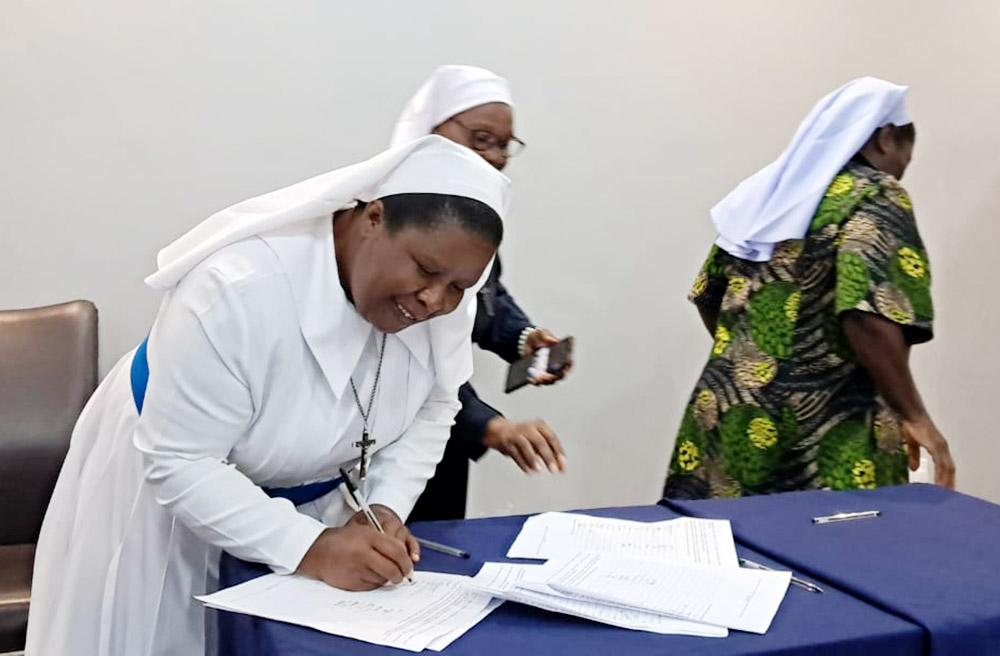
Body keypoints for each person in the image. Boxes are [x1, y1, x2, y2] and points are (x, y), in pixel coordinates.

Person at [25, 135, 510, 655]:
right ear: (372, 218)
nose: (436, 300)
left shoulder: (447, 302)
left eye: (461, 285)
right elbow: (181, 460)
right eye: (425, 270)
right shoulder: (235, 288)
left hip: (311, 506)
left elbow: (437, 405)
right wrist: (310, 547)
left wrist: (384, 506)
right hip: (166, 503)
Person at [663, 77, 955, 500]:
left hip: (723, 418)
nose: (903, 168)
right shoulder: (875, 195)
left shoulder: (769, 195)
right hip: (823, 431)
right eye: (907, 153)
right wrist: (916, 416)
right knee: (835, 553)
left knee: (721, 549)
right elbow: (866, 315)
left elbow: (709, 296)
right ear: (886, 137)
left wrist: (760, 368)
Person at [393, 66, 572, 522]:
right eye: (479, 138)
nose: (494, 156)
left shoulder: (473, 219)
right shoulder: (398, 222)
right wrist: (487, 424)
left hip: (441, 440)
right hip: (385, 445)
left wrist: (523, 338)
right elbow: (405, 353)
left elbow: (484, 295)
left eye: (503, 144)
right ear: (432, 131)